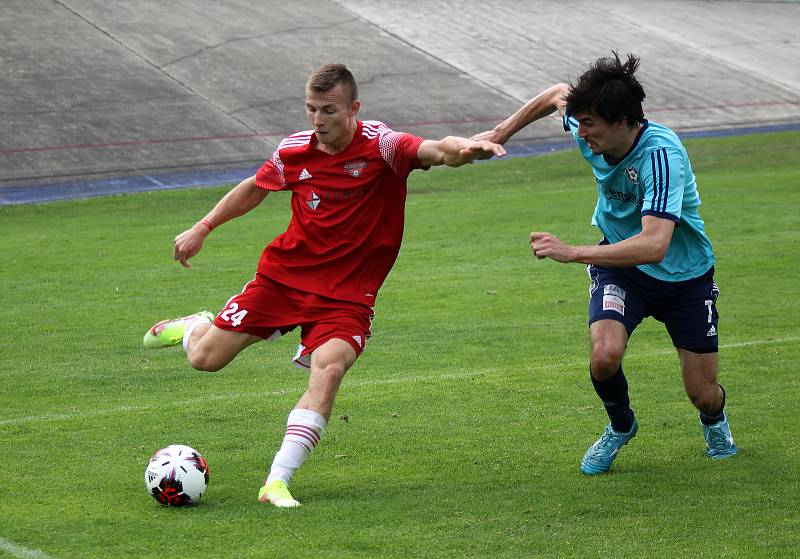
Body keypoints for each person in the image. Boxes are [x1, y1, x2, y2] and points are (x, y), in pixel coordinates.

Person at [143, 63, 506, 506]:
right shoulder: (294, 151)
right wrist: (204, 226)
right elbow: (255, 187)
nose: (317, 120)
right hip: (284, 279)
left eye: (328, 110)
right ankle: (198, 325)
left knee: (329, 368)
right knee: (204, 359)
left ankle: (276, 481)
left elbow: (435, 149)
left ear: (353, 108)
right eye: (311, 109)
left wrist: (463, 149)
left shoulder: (383, 147)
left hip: (347, 297)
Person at [473, 52, 736, 474]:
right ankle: (621, 426)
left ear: (622, 121)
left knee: (702, 393)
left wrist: (572, 252)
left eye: (589, 124)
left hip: (685, 277)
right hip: (620, 267)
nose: (580, 132)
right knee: (604, 356)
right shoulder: (589, 126)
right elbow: (558, 93)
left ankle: (714, 421)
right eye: (579, 121)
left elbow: (653, 245)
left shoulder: (661, 157)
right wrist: (500, 132)